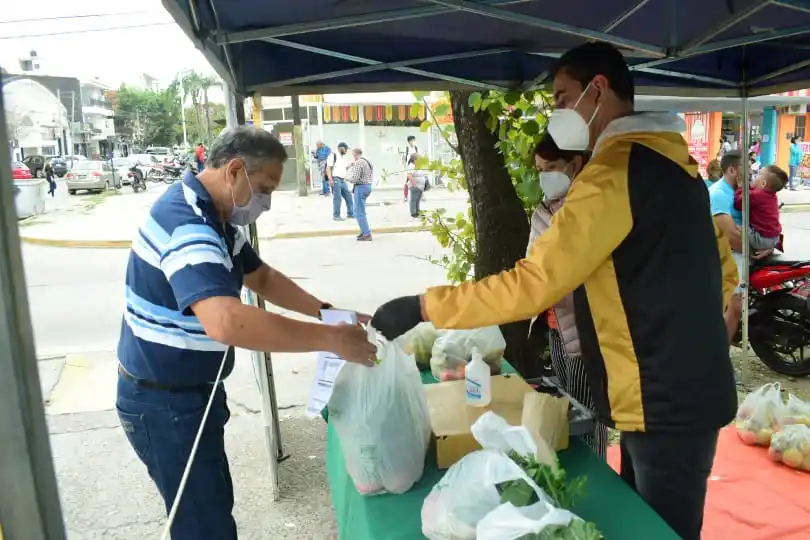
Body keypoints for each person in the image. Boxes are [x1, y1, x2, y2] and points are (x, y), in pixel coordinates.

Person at [370, 41, 739, 540]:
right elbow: (718, 259)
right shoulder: (675, 163)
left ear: (598, 90)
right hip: (672, 389)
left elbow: (534, 283)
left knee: (661, 530)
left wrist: (424, 305)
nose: (557, 111)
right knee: (648, 523)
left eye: (562, 97)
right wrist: (721, 309)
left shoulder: (615, 173)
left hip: (663, 398)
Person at [116, 127, 376, 540]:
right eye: (264, 189)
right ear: (234, 170)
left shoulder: (213, 215)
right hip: (162, 402)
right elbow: (226, 321)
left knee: (214, 507)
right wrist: (330, 339)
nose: (266, 203)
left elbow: (261, 277)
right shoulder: (189, 227)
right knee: (203, 526)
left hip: (193, 393)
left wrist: (327, 313)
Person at [530, 134, 607, 458]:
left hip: (586, 329)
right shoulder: (544, 210)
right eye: (539, 169)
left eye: (552, 167)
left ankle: (598, 478)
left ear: (575, 165)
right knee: (567, 404)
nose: (544, 176)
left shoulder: (596, 207)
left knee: (589, 413)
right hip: (554, 324)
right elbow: (531, 269)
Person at [709, 151, 772, 342]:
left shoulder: (742, 191)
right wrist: (754, 252)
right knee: (736, 307)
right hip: (730, 255)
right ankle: (720, 358)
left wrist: (767, 246)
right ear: (732, 170)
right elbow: (732, 236)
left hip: (743, 253)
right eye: (746, 169)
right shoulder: (719, 194)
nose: (751, 173)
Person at [734, 165, 787, 252]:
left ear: (763, 184)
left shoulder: (757, 195)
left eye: (758, 174)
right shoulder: (771, 195)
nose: (753, 176)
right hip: (775, 238)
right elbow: (754, 191)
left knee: (736, 227)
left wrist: (740, 187)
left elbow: (738, 203)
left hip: (761, 239)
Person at [346, 147, 374, 241]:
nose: (352, 156)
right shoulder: (368, 161)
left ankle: (366, 234)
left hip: (360, 187)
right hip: (368, 186)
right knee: (360, 210)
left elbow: (355, 178)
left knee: (358, 211)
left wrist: (347, 178)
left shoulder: (358, 162)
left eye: (353, 154)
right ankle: (363, 230)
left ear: (355, 154)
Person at [326, 142, 354, 221]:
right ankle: (336, 216)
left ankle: (351, 213)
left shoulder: (342, 158)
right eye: (345, 149)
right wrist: (330, 179)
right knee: (337, 198)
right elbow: (328, 168)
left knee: (349, 196)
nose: (346, 151)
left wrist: (351, 165)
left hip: (342, 180)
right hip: (336, 179)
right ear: (341, 148)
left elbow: (344, 169)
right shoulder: (333, 155)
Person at [406, 153, 428, 218]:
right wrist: (414, 183)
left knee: (417, 200)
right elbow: (409, 175)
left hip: (419, 186)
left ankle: (418, 211)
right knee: (414, 200)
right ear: (414, 159)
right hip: (415, 186)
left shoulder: (416, 166)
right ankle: (413, 213)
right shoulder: (411, 166)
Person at [403, 135, 419, 202]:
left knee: (417, 182)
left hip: (415, 167)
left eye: (414, 140)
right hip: (409, 168)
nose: (413, 142)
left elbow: (419, 156)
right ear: (409, 141)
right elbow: (403, 159)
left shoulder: (416, 147)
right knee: (407, 183)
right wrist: (405, 167)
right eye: (412, 140)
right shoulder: (406, 148)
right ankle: (405, 196)